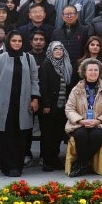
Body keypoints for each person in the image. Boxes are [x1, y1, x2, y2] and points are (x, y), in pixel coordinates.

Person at [0, 31, 40, 177]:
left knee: (20, 136)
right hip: (3, 104)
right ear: (9, 42)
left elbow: (34, 79)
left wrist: (35, 98)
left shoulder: (29, 58)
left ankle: (17, 166)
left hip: (22, 104)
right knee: (5, 136)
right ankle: (7, 166)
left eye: (19, 41)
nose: (17, 43)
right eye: (14, 41)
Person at [65, 58, 102, 177]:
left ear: (100, 72)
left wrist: (98, 121)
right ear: (84, 72)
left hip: (101, 124)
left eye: (96, 70)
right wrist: (81, 121)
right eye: (90, 70)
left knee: (96, 135)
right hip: (80, 123)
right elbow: (69, 108)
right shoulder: (76, 89)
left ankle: (81, 164)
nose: (93, 72)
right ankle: (84, 164)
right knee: (81, 135)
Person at [38, 41, 71, 172]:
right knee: (47, 135)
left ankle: (55, 159)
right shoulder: (46, 65)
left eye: (60, 49)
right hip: (50, 106)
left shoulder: (66, 64)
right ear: (51, 52)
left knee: (57, 134)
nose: (58, 51)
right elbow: (43, 86)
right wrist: (46, 104)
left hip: (62, 106)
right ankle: (47, 161)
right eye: (55, 49)